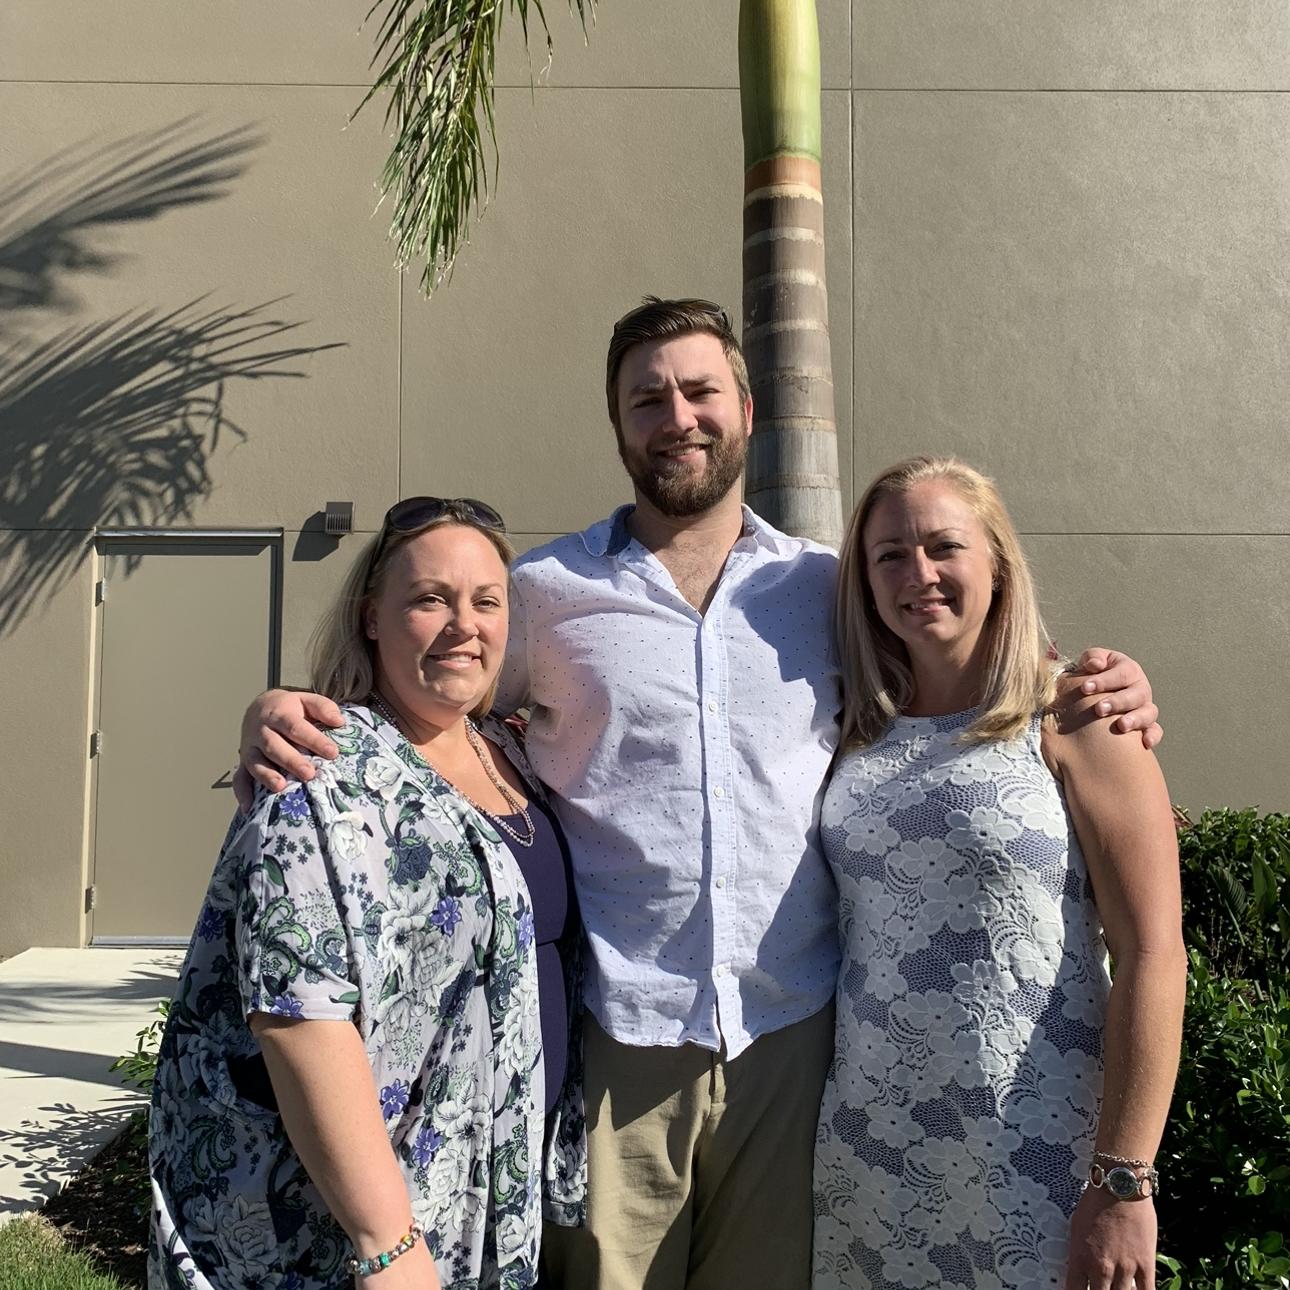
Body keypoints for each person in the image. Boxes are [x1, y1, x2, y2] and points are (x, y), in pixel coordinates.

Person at [235, 299, 1162, 1290]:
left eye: (699, 391)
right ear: (619, 425)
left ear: (747, 410)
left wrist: (1108, 684)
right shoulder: (543, 595)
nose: (678, 416)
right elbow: (428, 694)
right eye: (648, 399)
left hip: (796, 1050)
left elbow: (973, 670)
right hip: (620, 1048)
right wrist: (283, 710)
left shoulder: (829, 589)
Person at [149, 498, 585, 1290]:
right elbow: (297, 1017)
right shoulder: (318, 776)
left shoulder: (513, 751)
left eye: (487, 601)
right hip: (369, 1229)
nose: (464, 625)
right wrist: (385, 1241)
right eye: (430, 599)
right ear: (371, 617)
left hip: (489, 1196)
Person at [813, 456, 1186, 1290]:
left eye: (945, 547)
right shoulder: (853, 730)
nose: (919, 574)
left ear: (997, 564)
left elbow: (1156, 952)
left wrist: (1126, 1181)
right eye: (889, 555)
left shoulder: (1080, 716)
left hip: (1038, 1155)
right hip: (870, 1159)